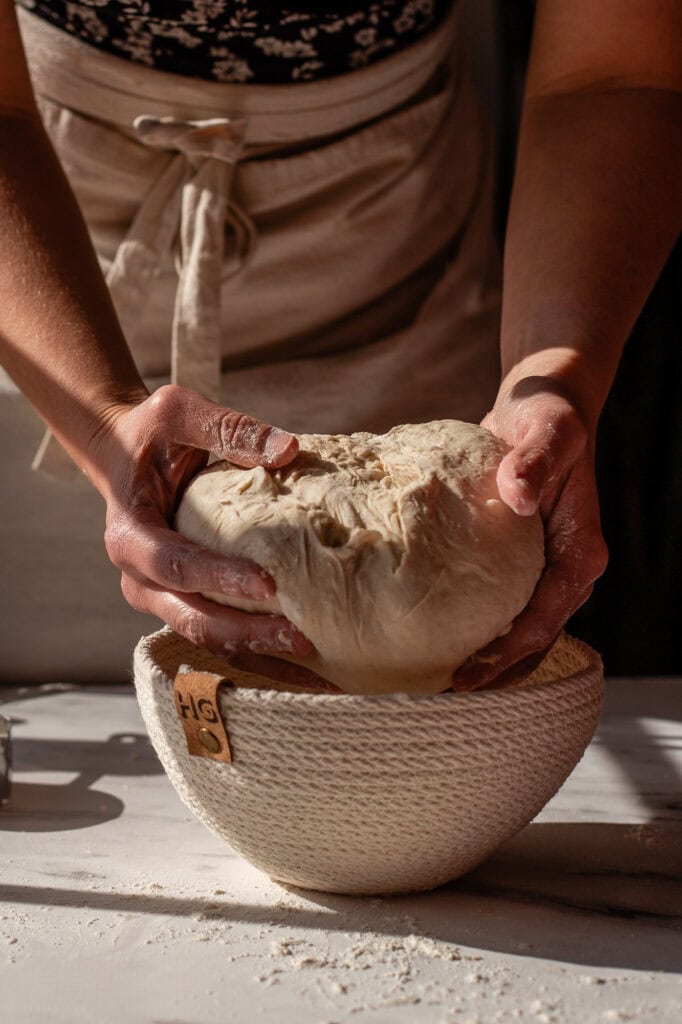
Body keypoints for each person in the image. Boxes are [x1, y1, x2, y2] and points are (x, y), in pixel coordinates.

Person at [0, 0, 680, 688]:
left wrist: (551, 375)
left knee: (420, 701)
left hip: (401, 264)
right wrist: (105, 416)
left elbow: (611, 75)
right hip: (52, 282)